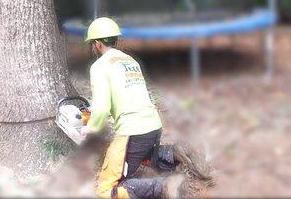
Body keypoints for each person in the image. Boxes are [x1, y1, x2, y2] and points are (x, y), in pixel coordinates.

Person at [80, 17, 211, 199]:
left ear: (97, 44)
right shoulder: (129, 61)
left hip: (132, 132)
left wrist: (91, 127)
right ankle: (173, 153)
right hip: (153, 126)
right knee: (143, 157)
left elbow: (101, 108)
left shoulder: (99, 67)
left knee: (107, 189)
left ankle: (165, 187)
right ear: (116, 40)